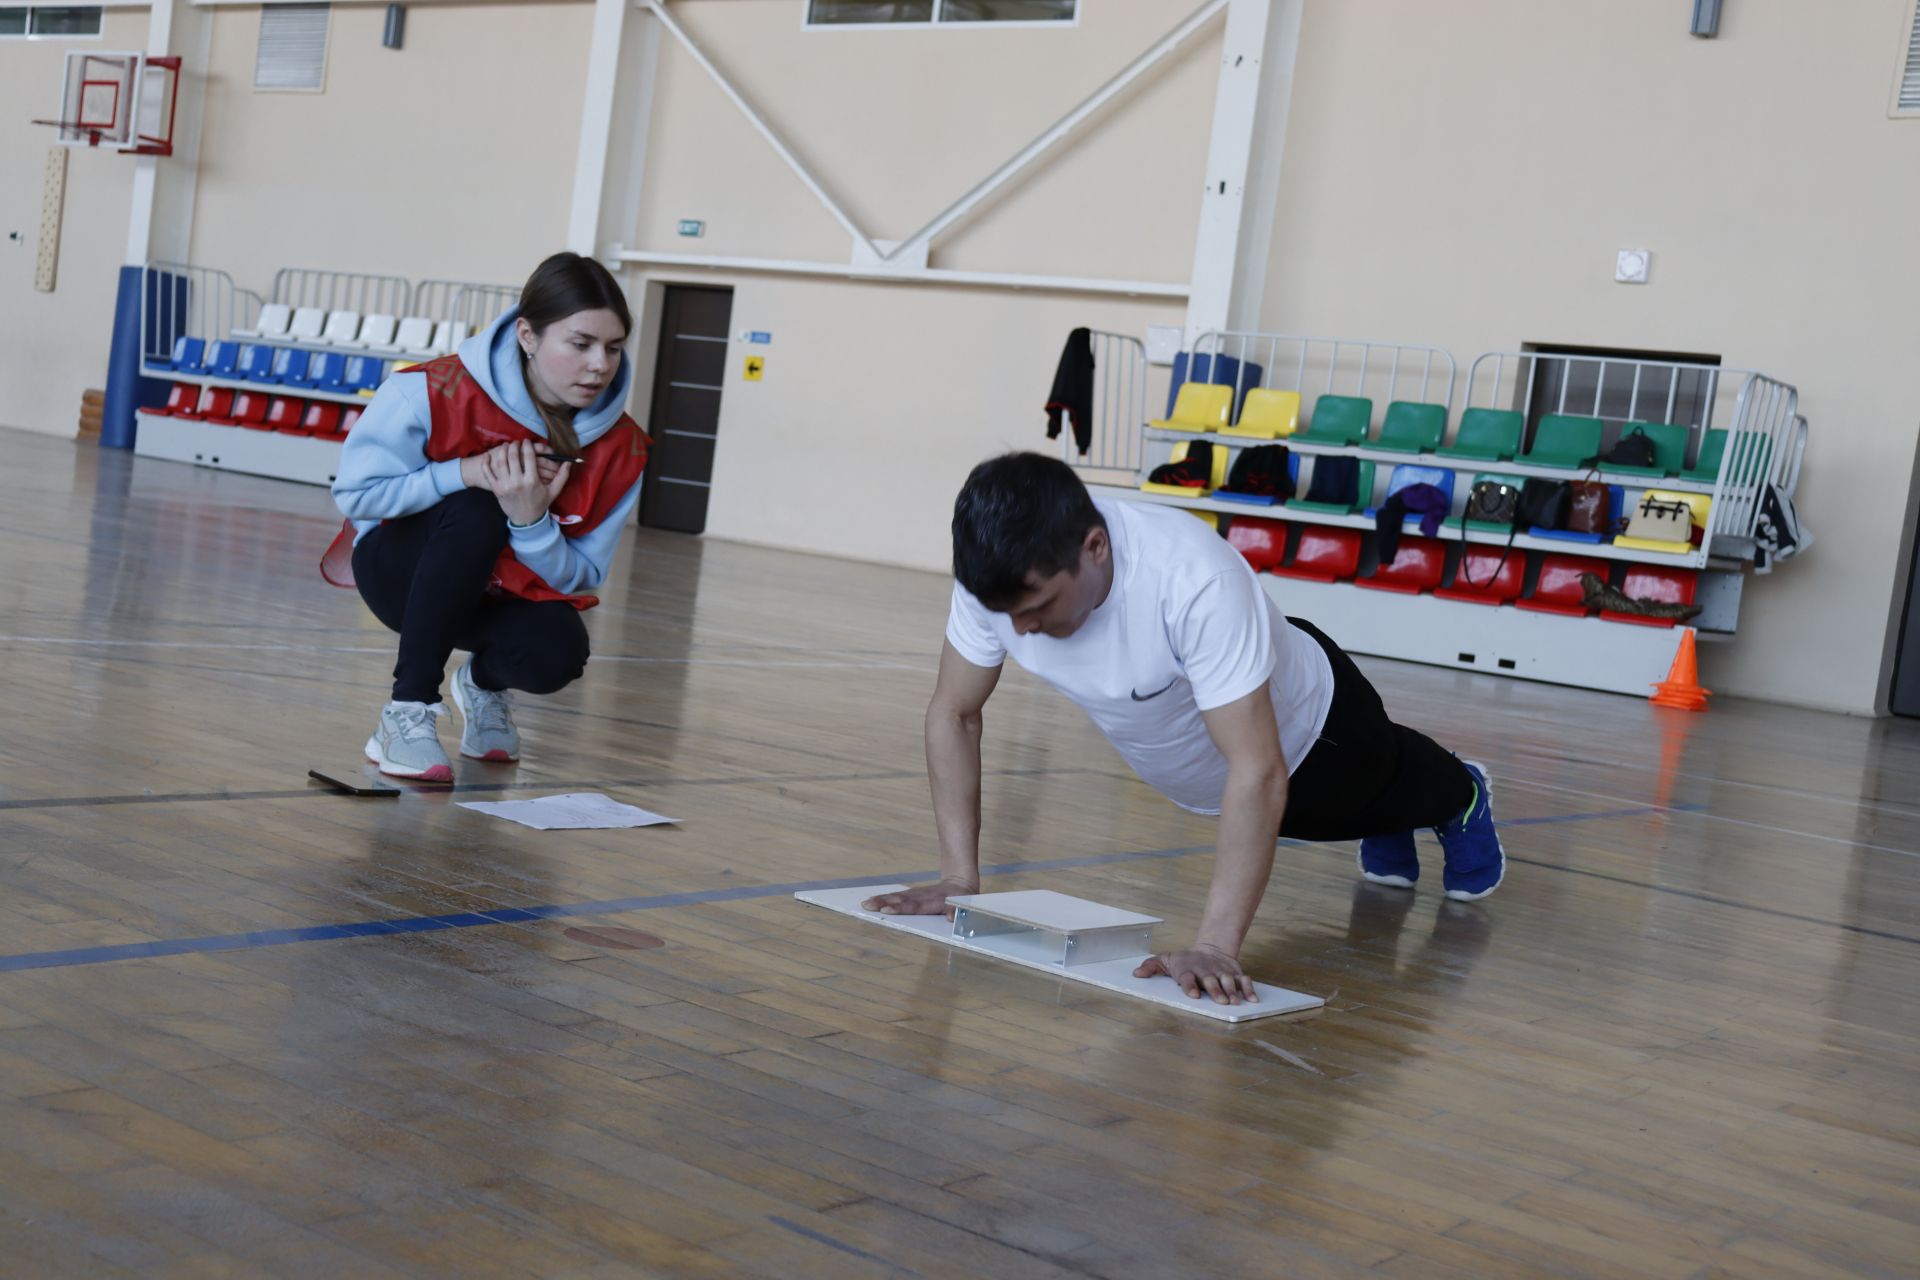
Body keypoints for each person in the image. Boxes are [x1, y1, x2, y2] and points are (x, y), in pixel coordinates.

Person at [863, 452, 1504, 1005]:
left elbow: (1258, 770)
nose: (1022, 630)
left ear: (1096, 547)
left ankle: (1463, 793)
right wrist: (957, 880)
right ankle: (1391, 815)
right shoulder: (997, 581)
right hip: (1211, 770)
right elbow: (954, 712)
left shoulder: (1192, 580)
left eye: (1038, 608)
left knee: (1375, 791)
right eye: (1008, 614)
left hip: (1316, 735)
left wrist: (1214, 947)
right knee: (1371, 806)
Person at [323, 252, 650, 781]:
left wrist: (531, 522)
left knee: (560, 650)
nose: (600, 364)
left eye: (613, 348)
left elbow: (583, 575)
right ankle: (405, 714)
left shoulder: (624, 448)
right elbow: (359, 498)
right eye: (581, 343)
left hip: (498, 595)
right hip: (400, 576)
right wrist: (466, 472)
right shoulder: (427, 391)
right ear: (527, 335)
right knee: (478, 507)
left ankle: (481, 684)